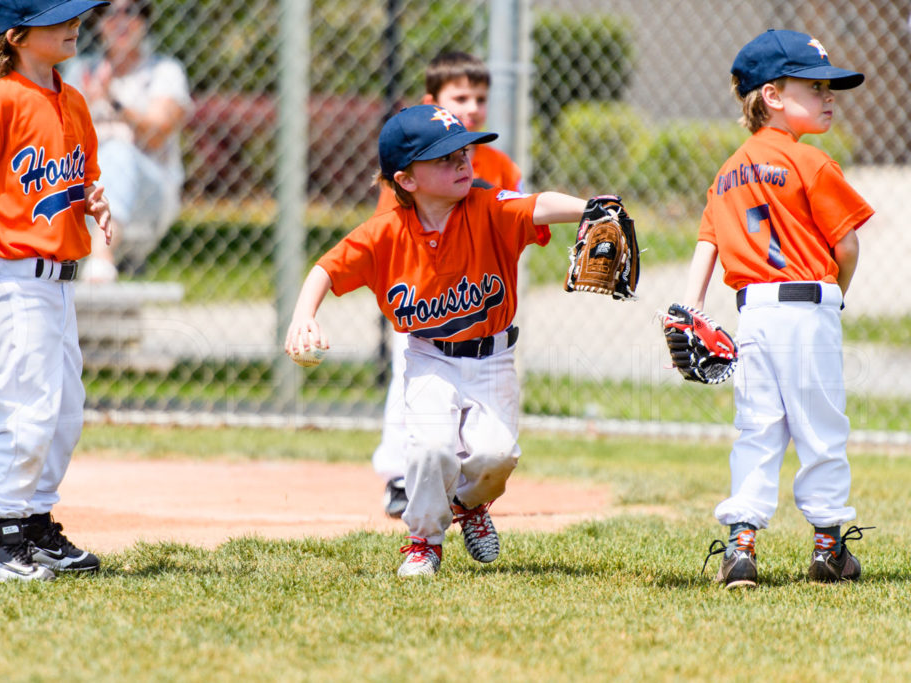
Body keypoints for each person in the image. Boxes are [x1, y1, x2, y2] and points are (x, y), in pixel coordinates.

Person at [285, 104, 628, 577]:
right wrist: (304, 314)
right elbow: (327, 267)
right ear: (407, 180)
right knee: (430, 450)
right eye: (444, 159)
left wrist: (590, 207)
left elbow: (535, 204)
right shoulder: (385, 233)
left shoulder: (487, 206)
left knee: (496, 455)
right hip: (428, 358)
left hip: (493, 357)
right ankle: (423, 542)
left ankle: (469, 506)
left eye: (464, 152)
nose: (463, 163)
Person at [684, 30, 875, 588]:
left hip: (755, 317)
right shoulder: (810, 162)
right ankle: (828, 546)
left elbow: (708, 241)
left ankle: (741, 545)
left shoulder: (727, 171)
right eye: (814, 87)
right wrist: (836, 293)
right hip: (808, 305)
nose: (829, 96)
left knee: (758, 428)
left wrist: (691, 308)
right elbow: (848, 245)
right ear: (772, 94)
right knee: (821, 429)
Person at [0, 0, 112, 581]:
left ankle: (34, 524)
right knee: (29, 404)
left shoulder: (74, 101)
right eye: (59, 17)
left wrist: (94, 203)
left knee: (66, 412)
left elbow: (78, 182)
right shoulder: (1, 99)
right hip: (17, 280)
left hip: (61, 286)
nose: (74, 24)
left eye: (76, 15)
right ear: (16, 35)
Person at [374, 51, 523, 520]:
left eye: (480, 97)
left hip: (477, 305)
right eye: (460, 97)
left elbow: (519, 219)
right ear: (431, 103)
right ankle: (399, 475)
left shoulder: (498, 165)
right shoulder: (412, 169)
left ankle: (462, 493)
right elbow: (388, 234)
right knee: (411, 391)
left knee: (479, 406)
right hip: (425, 305)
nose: (473, 107)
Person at [62, 0, 191, 282]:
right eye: (109, 13)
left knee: (119, 152)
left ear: (145, 20)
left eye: (130, 11)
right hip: (85, 186)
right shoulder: (80, 72)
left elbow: (156, 136)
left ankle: (101, 255)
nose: (120, 21)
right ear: (97, 23)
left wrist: (112, 101)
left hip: (151, 195)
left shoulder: (164, 71)